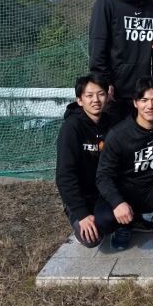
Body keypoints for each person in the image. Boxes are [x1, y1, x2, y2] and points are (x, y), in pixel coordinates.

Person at [95, 77, 153, 251]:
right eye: (144, 100)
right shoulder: (118, 134)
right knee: (104, 220)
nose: (150, 106)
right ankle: (125, 225)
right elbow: (103, 175)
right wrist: (117, 202)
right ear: (135, 103)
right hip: (127, 191)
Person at [88, 0, 153, 124]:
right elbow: (97, 44)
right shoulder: (107, 3)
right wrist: (103, 82)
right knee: (113, 138)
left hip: (143, 94)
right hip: (114, 92)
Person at [55, 74, 112, 248]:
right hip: (82, 197)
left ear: (107, 96)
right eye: (89, 96)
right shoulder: (71, 128)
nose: (96, 100)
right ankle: (78, 216)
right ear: (79, 100)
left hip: (105, 192)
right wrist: (82, 214)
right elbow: (65, 176)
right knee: (91, 239)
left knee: (114, 220)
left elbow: (143, 117)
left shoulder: (112, 122)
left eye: (101, 94)